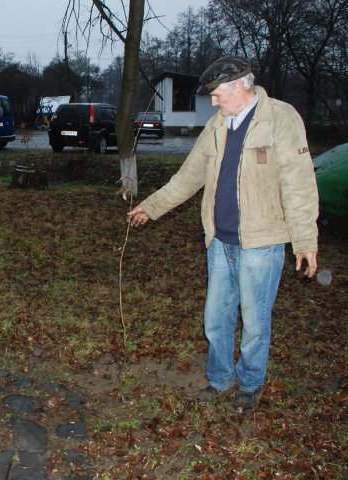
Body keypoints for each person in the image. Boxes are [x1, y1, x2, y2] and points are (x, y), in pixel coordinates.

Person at [127, 56, 319, 415]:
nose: (212, 102)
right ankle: (219, 379)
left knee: (255, 324)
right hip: (219, 241)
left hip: (261, 244)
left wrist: (305, 241)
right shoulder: (217, 125)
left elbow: (299, 184)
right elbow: (188, 177)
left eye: (216, 95)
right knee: (215, 318)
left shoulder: (280, 118)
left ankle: (249, 386)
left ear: (240, 86)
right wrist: (150, 207)